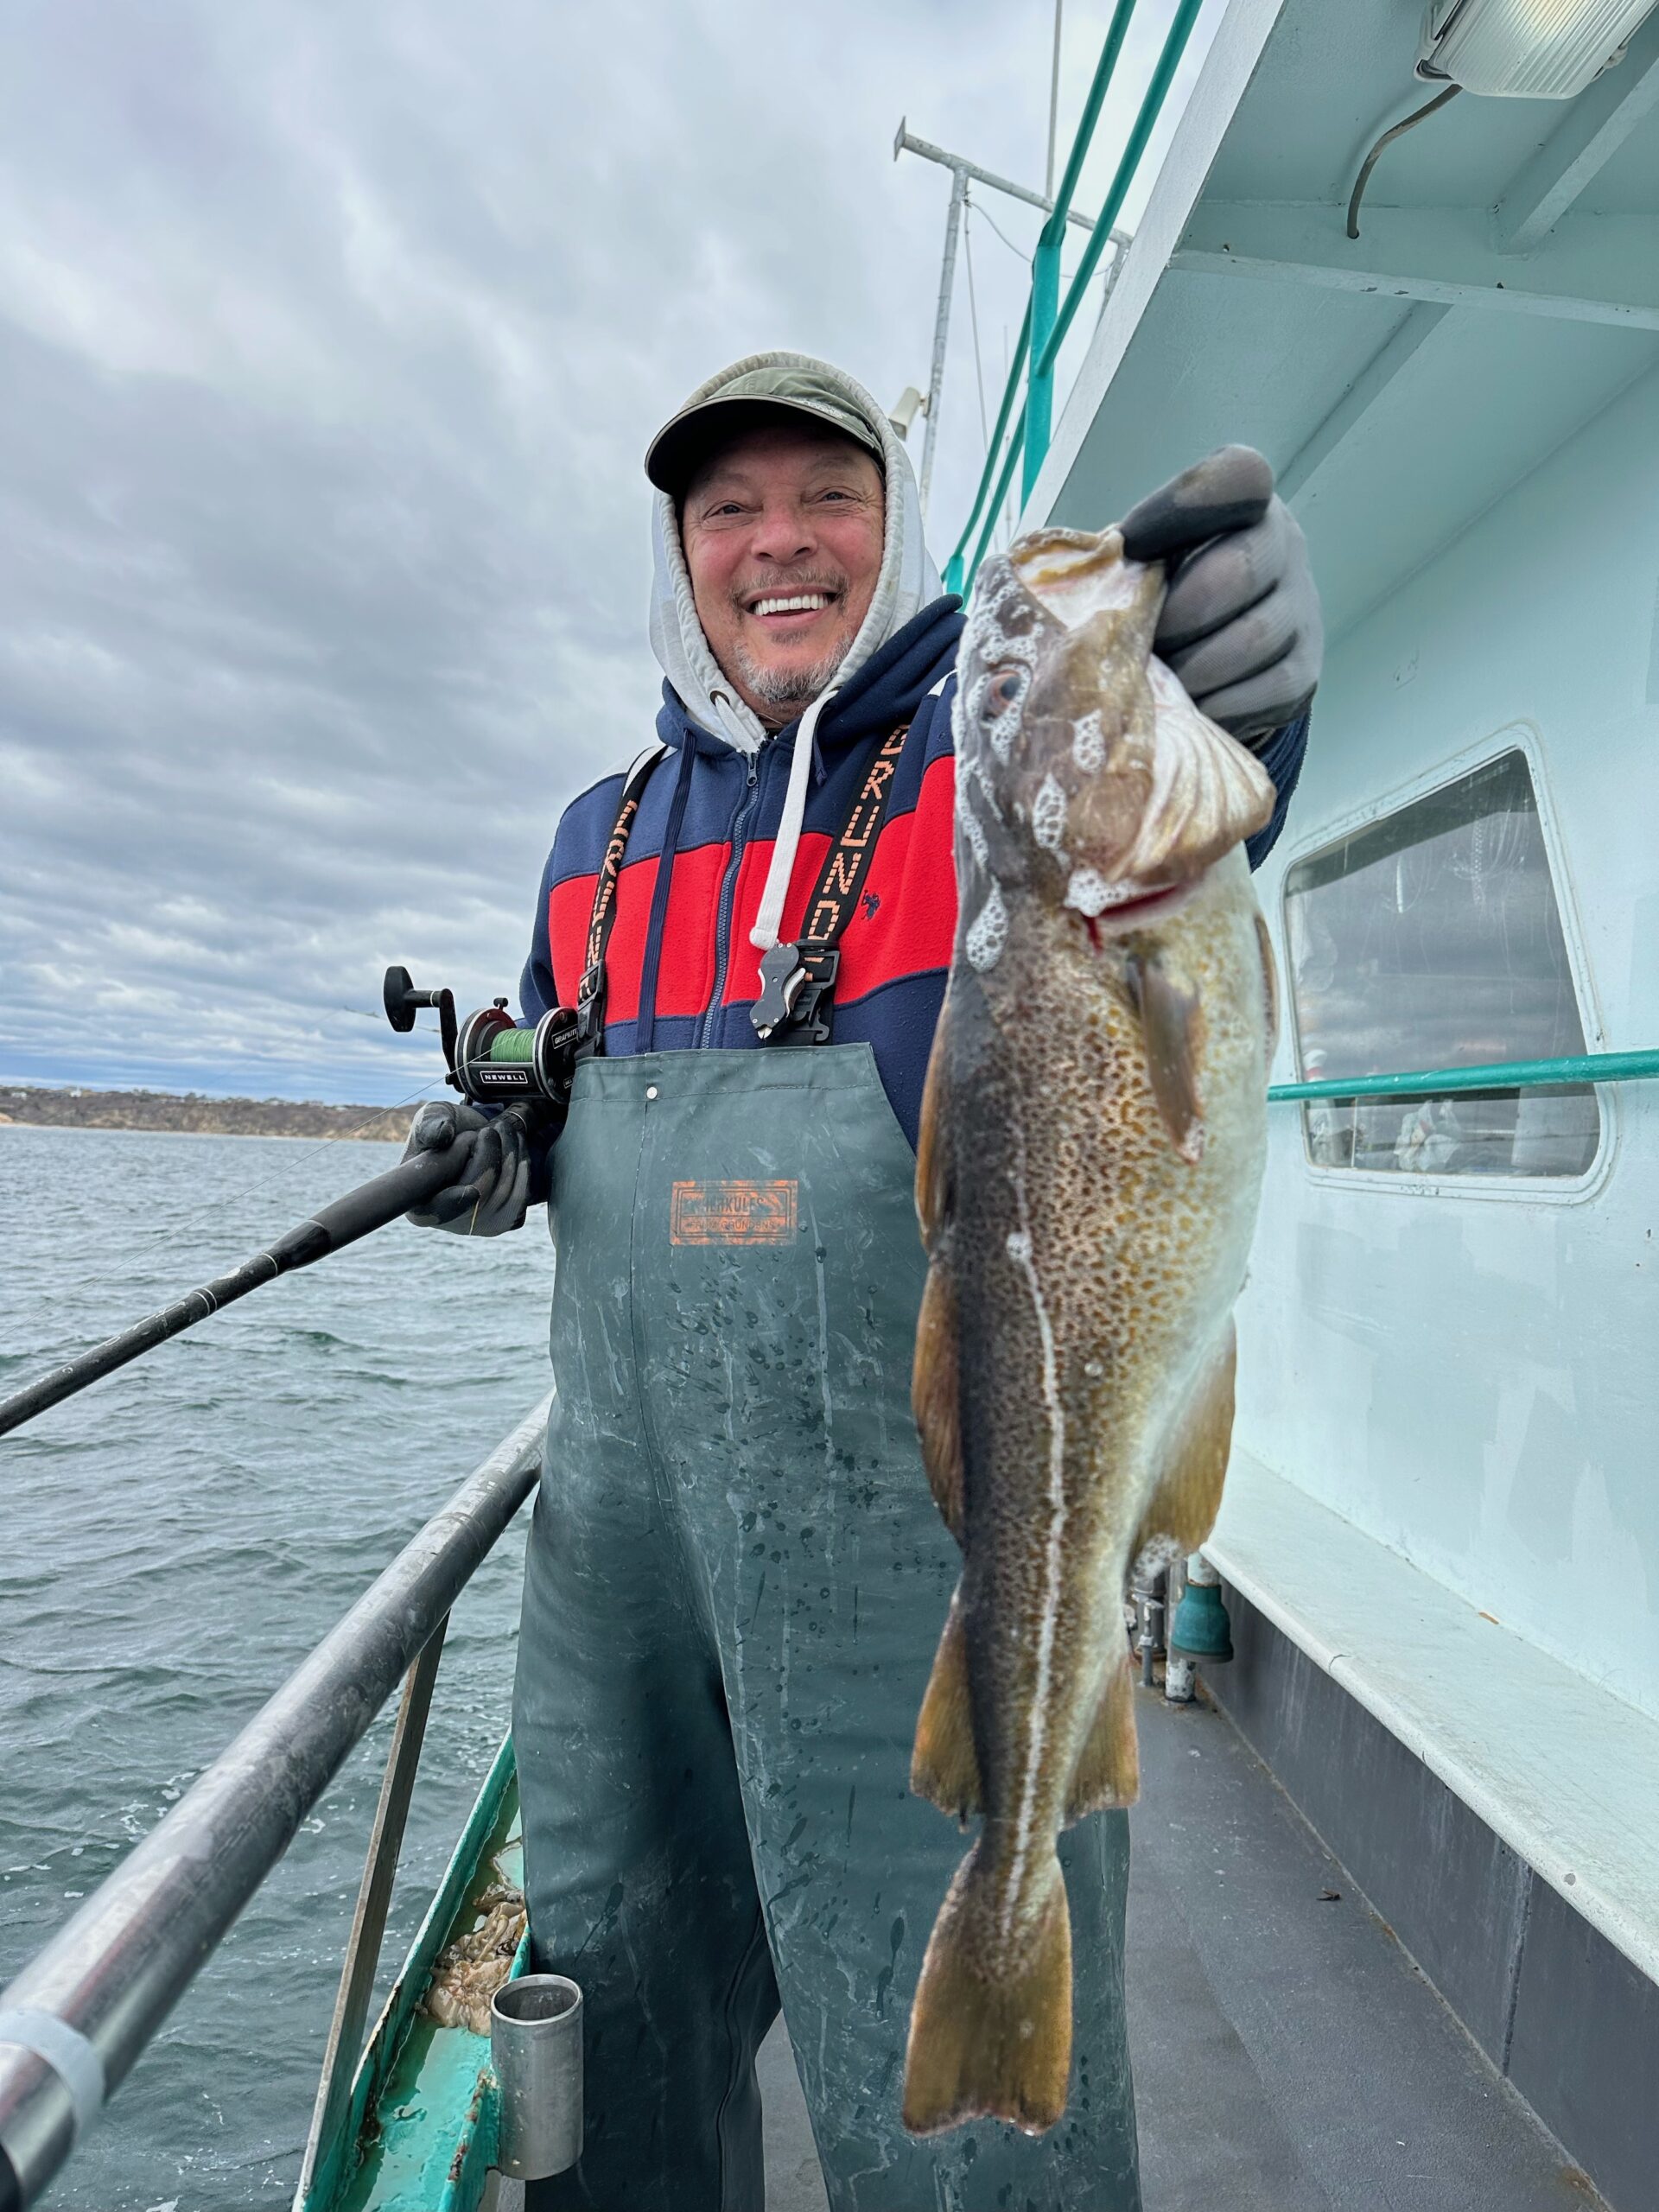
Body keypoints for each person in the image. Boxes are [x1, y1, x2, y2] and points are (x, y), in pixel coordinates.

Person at [404, 353, 1322, 2210]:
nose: (777, 543)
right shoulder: (599, 834)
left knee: (955, 2090)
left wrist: (1228, 691)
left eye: (823, 494)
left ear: (891, 529)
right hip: (621, 1569)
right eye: (726, 508)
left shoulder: (970, 795)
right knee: (621, 1986)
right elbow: (562, 1072)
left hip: (905, 1551)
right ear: (681, 555)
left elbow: (1152, 829)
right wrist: (497, 1132)